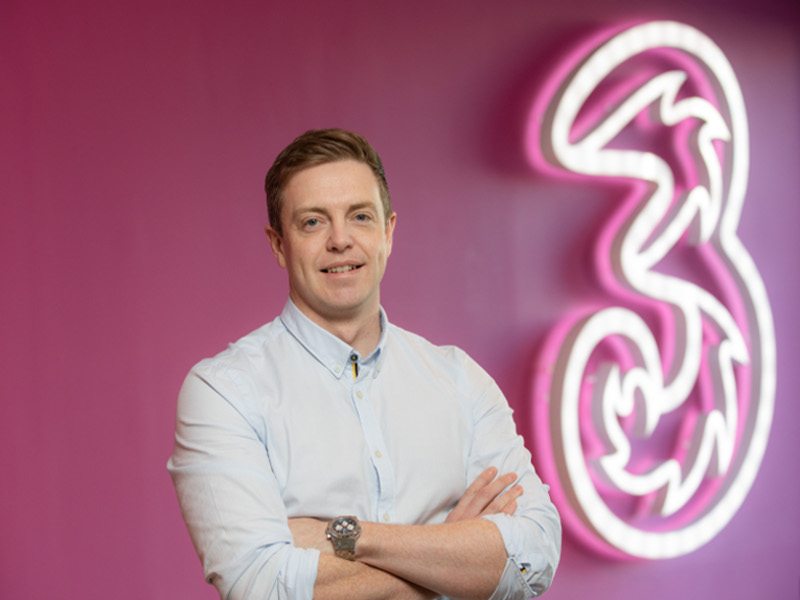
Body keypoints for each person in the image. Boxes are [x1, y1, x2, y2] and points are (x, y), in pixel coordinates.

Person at [167, 128, 561, 599]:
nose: (340, 240)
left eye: (360, 216)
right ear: (278, 244)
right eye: (313, 222)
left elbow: (533, 558)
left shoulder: (459, 380)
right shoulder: (225, 391)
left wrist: (347, 536)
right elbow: (262, 586)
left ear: (388, 233)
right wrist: (451, 555)